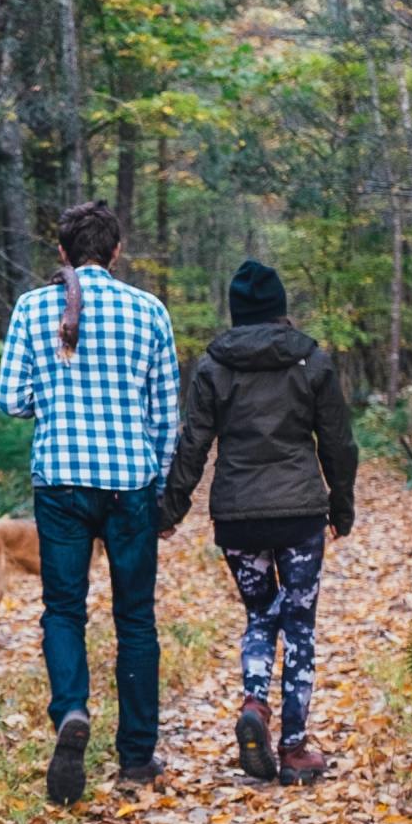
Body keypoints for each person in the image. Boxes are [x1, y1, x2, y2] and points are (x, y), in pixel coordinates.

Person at [0, 200, 180, 807]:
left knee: (64, 610)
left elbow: (11, 400)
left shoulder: (32, 307)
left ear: (62, 254)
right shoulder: (148, 310)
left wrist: (54, 400)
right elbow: (166, 416)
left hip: (62, 482)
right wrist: (159, 492)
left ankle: (72, 710)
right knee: (135, 619)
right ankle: (135, 757)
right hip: (130, 481)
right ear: (117, 251)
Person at [159, 259, 358, 786]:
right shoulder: (310, 361)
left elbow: (194, 443)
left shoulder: (213, 367)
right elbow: (337, 441)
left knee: (259, 616)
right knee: (299, 625)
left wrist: (171, 509)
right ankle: (293, 749)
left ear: (237, 311)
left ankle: (254, 703)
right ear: (280, 309)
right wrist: (342, 507)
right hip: (299, 515)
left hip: (238, 517)